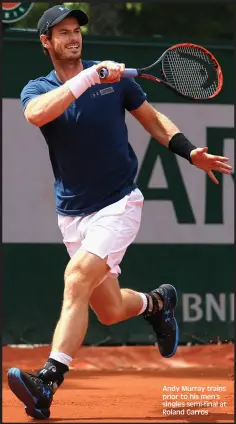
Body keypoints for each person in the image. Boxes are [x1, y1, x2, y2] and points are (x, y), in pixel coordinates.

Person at [7, 5, 232, 420]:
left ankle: (47, 382)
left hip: (119, 203)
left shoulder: (115, 82)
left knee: (75, 279)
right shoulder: (38, 88)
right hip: (72, 213)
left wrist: (189, 152)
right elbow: (37, 114)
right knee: (108, 310)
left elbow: (152, 119)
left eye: (77, 30)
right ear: (46, 42)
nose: (73, 38)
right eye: (63, 33)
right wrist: (91, 77)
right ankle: (156, 304)